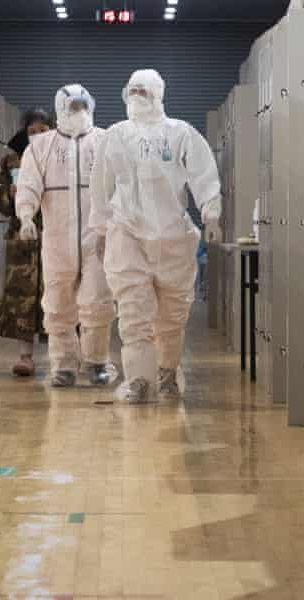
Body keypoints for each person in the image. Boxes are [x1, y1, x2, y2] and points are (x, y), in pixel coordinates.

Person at [88, 69, 222, 403]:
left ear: (158, 94)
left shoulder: (179, 133)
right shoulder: (116, 136)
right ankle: (139, 380)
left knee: (172, 314)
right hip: (127, 233)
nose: (137, 96)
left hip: (173, 235)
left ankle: (167, 372)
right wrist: (101, 229)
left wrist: (211, 212)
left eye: (143, 91)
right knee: (133, 312)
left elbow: (203, 173)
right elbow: (100, 185)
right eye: (132, 90)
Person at [15, 85, 117, 387]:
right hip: (58, 238)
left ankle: (97, 361)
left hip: (98, 237)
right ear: (60, 108)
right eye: (72, 106)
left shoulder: (105, 142)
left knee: (98, 301)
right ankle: (63, 365)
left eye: (83, 106)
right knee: (58, 303)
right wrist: (25, 215)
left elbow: (122, 185)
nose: (79, 112)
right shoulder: (41, 146)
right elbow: (29, 184)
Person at [0, 111, 53, 376]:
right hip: (23, 243)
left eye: (43, 130)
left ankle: (65, 358)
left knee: (60, 297)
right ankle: (25, 357)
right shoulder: (13, 161)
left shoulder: (63, 158)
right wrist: (10, 194)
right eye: (32, 132)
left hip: (56, 237)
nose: (38, 136)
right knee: (23, 299)